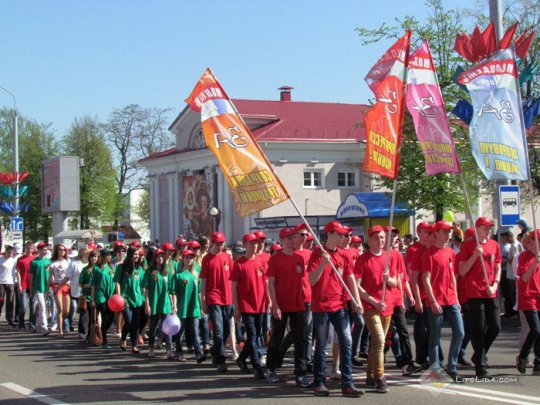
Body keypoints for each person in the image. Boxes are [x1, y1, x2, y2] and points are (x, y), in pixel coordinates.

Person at [308, 221, 363, 397]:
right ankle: (319, 383)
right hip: (321, 307)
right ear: (329, 234)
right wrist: (324, 262)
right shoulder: (317, 254)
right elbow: (311, 280)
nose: (342, 237)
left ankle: (347, 383)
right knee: (322, 345)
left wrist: (356, 300)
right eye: (339, 234)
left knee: (346, 342)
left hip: (339, 305)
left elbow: (351, 278)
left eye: (343, 234)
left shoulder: (344, 255)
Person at [265, 226, 311, 387]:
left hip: (299, 304)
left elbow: (305, 281)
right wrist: (274, 304)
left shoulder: (300, 258)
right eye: (289, 238)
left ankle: (300, 373)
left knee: (301, 339)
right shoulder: (275, 259)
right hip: (281, 305)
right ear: (282, 240)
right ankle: (271, 368)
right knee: (276, 338)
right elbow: (271, 283)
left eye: (293, 238)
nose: (292, 241)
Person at [355, 225, 398, 394]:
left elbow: (395, 282)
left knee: (376, 343)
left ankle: (369, 375)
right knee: (379, 340)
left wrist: (389, 279)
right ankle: (380, 377)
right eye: (376, 238)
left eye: (382, 238)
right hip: (370, 306)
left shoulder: (389, 257)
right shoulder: (362, 259)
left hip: (387, 305)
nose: (380, 241)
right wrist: (372, 300)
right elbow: (358, 287)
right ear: (369, 240)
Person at [458, 217, 501, 378]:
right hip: (475, 292)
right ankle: (480, 366)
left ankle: (479, 355)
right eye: (485, 227)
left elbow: (497, 267)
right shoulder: (468, 246)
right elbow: (462, 271)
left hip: (490, 291)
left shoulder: (494, 245)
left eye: (490, 227)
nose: (488, 230)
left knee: (495, 327)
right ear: (477, 229)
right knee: (478, 329)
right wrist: (475, 255)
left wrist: (495, 284)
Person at [421, 221, 464, 381]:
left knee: (460, 332)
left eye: (449, 232)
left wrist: (457, 298)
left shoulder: (451, 252)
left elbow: (453, 276)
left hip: (451, 299)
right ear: (437, 233)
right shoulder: (428, 254)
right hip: (436, 300)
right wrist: (432, 301)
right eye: (445, 232)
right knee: (435, 337)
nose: (448, 234)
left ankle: (452, 366)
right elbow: (425, 279)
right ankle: (436, 369)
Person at [231, 233, 268, 380]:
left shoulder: (260, 261)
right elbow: (233, 287)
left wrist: (269, 299)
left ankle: (241, 359)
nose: (254, 246)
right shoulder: (239, 264)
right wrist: (236, 307)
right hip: (246, 305)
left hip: (260, 304)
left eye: (256, 243)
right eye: (251, 243)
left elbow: (265, 282)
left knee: (257, 335)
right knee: (252, 336)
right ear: (245, 245)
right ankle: (256, 366)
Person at [385, 226, 421, 377]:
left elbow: (402, 277)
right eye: (390, 235)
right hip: (383, 300)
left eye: (395, 235)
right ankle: (376, 359)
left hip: (397, 300)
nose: (393, 238)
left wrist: (408, 296)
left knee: (403, 331)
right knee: (384, 333)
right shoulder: (381, 255)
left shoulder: (398, 255)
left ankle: (408, 362)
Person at [200, 231, 234, 372]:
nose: (220, 246)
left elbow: (232, 279)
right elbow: (204, 281)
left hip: (228, 298)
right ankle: (220, 360)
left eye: (222, 244)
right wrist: (203, 300)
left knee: (226, 330)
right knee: (218, 330)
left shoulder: (227, 257)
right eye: (218, 244)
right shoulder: (207, 259)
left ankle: (215, 350)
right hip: (214, 297)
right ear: (213, 243)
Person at [171, 249, 205, 363]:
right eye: (187, 257)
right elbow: (173, 292)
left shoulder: (196, 273)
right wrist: (174, 306)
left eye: (191, 257)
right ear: (182, 259)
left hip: (194, 307)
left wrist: (201, 306)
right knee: (180, 332)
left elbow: (199, 292)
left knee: (195, 331)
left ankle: (198, 354)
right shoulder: (178, 275)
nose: (189, 260)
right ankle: (179, 352)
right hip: (182, 307)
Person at [515, 229, 540, 375]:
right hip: (528, 297)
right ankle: (523, 356)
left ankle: (538, 362)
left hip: (538, 296)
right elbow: (524, 278)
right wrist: (534, 263)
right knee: (535, 329)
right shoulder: (524, 257)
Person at [142, 248, 173, 358]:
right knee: (153, 327)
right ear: (154, 258)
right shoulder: (149, 272)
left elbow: (170, 289)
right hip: (154, 303)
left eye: (162, 257)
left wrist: (173, 305)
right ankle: (151, 348)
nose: (160, 259)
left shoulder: (167, 271)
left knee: (167, 327)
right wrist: (147, 304)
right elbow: (146, 289)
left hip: (166, 304)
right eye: (158, 256)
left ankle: (169, 349)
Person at [115, 246, 145, 353]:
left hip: (137, 299)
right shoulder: (121, 267)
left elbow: (142, 285)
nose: (136, 256)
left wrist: (145, 298)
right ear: (130, 255)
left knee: (136, 322)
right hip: (125, 298)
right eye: (134, 254)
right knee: (128, 320)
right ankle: (123, 338)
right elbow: (117, 282)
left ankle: (134, 345)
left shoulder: (140, 269)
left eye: (138, 254)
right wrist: (119, 296)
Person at [91, 249, 116, 349]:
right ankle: (104, 340)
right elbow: (93, 285)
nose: (108, 257)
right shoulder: (97, 268)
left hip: (111, 296)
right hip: (100, 295)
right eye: (106, 255)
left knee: (111, 317)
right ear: (102, 256)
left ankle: (103, 331)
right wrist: (93, 299)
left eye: (109, 255)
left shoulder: (111, 267)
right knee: (105, 315)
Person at [65, 248, 88, 336]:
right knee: (75, 308)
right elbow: (67, 277)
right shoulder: (74, 263)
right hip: (76, 290)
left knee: (84, 311)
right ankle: (70, 324)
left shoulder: (92, 264)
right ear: (81, 253)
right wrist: (59, 286)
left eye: (89, 253)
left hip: (88, 291)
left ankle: (82, 330)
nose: (87, 254)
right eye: (86, 252)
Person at [30, 242, 51, 335]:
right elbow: (31, 277)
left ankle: (37, 327)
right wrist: (31, 290)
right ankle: (44, 327)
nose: (45, 251)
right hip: (38, 287)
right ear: (38, 250)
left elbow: (51, 275)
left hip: (47, 287)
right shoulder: (34, 262)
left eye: (46, 249)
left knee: (42, 307)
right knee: (42, 306)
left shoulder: (48, 261)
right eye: (43, 249)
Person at [79, 250, 99, 340]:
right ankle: (87, 333)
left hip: (99, 295)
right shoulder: (85, 269)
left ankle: (96, 334)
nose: (94, 259)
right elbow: (80, 284)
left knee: (97, 316)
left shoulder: (100, 269)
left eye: (95, 257)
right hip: (87, 296)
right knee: (89, 315)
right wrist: (89, 285)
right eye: (92, 257)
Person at [16, 241, 35, 330]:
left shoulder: (35, 259)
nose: (29, 250)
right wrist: (19, 284)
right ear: (25, 248)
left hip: (33, 286)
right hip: (24, 285)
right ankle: (21, 323)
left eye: (31, 248)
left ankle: (32, 324)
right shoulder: (20, 259)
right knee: (23, 306)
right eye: (28, 248)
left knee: (33, 306)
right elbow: (18, 273)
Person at [0, 245, 17, 327]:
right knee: (1, 301)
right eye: (9, 252)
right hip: (1, 282)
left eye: (11, 253)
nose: (10, 254)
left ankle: (10, 319)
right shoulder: (1, 259)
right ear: (6, 252)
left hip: (10, 282)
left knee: (10, 302)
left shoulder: (13, 260)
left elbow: (16, 271)